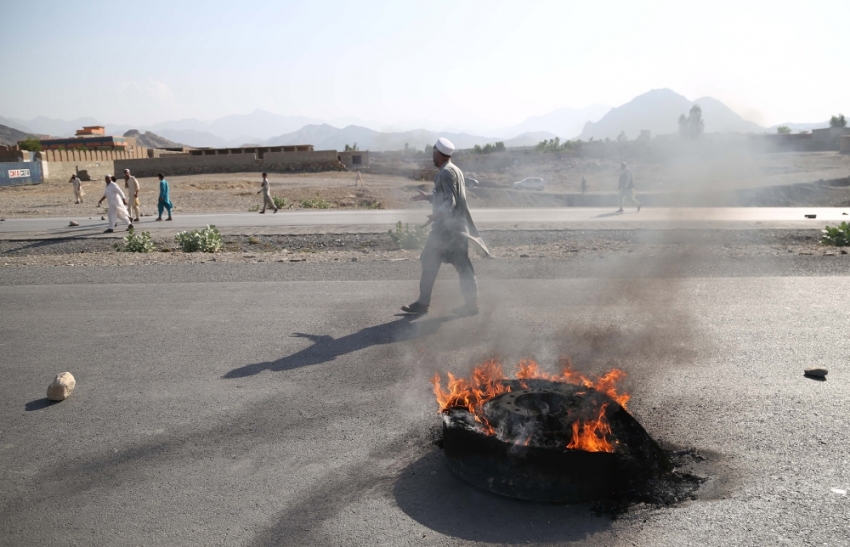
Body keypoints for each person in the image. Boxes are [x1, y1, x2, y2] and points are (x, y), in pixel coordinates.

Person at [401, 137, 489, 317]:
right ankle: (471, 304)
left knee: (429, 260)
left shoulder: (445, 173)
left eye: (433, 152)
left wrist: (437, 215)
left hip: (445, 230)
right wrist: (428, 197)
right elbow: (447, 196)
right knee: (463, 266)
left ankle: (423, 304)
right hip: (458, 227)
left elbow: (450, 201)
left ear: (438, 153)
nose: (432, 156)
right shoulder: (455, 170)